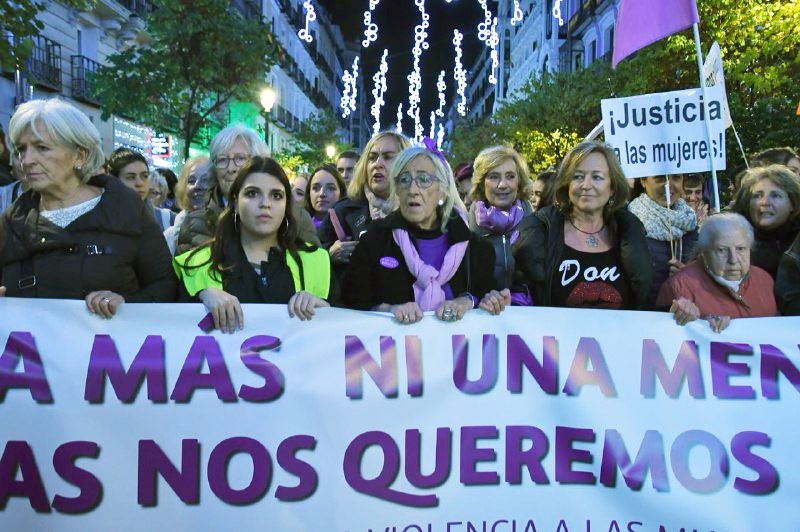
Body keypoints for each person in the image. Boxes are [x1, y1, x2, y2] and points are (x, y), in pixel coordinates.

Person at [0, 98, 177, 314]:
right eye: (21, 149)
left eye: (42, 148)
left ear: (79, 155)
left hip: (113, 347)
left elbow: (165, 287)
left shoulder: (128, 209)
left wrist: (126, 304)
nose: (27, 160)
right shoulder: (11, 222)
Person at [343, 145, 502, 323]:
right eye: (404, 180)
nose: (413, 190)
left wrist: (468, 301)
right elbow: (350, 303)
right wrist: (388, 309)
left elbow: (487, 297)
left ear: (442, 191)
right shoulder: (375, 240)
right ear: (396, 190)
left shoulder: (477, 249)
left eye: (424, 179)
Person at [174, 156, 331, 333]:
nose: (265, 203)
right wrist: (200, 297)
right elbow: (173, 332)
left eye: (276, 195)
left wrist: (327, 311)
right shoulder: (196, 263)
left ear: (287, 205)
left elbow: (344, 335)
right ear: (234, 203)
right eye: (252, 193)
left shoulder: (316, 260)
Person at [514, 140, 652, 310]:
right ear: (567, 185)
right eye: (578, 176)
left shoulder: (630, 234)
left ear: (612, 188)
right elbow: (521, 297)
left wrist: (680, 311)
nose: (586, 185)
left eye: (597, 177)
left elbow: (646, 305)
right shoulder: (542, 232)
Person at [176, 124, 319, 254]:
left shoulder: (295, 217)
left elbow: (312, 269)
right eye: (223, 159)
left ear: (259, 163)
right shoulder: (196, 223)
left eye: (240, 158)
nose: (231, 168)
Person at [657, 213, 777, 332]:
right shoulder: (679, 286)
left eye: (740, 249)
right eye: (722, 250)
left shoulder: (764, 280)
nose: (733, 260)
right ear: (704, 252)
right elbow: (664, 334)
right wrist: (700, 324)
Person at [318, 130, 411, 267]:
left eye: (388, 157)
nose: (377, 164)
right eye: (372, 158)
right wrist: (329, 255)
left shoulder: (417, 211)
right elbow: (312, 257)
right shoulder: (342, 212)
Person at [467, 145, 533, 296]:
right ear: (482, 183)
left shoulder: (535, 224)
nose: (503, 185)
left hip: (528, 312)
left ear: (519, 181)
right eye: (494, 177)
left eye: (510, 176)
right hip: (483, 312)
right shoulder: (465, 226)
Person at [628, 174, 697, 305]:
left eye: (676, 178)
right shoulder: (628, 223)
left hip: (683, 316)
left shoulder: (690, 222)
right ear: (643, 181)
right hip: (642, 315)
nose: (668, 185)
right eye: (660, 178)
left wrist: (690, 275)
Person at [730, 164, 800, 278]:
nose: (765, 202)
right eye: (757, 196)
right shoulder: (728, 241)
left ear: (793, 203)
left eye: (775, 196)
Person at [106, 148, 176, 231]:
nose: (139, 183)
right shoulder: (98, 219)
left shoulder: (166, 219)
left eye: (145, 176)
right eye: (131, 177)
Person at [163, 156, 211, 255]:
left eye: (205, 180)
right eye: (191, 181)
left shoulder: (228, 230)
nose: (197, 186)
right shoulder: (170, 236)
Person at [304, 163, 345, 229]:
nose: (322, 194)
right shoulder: (297, 228)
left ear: (341, 193)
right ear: (309, 193)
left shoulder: (351, 228)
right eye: (316, 188)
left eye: (330, 188)